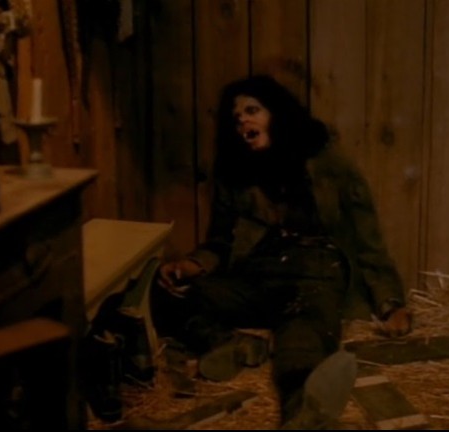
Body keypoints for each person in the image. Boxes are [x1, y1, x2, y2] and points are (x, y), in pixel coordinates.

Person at [152, 74, 412, 429]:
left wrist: (390, 302)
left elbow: (369, 240)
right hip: (257, 274)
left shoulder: (329, 164)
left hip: (315, 272)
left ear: (278, 114)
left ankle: (302, 416)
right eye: (236, 118)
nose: (243, 121)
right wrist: (192, 264)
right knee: (166, 294)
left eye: (252, 111)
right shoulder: (235, 173)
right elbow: (221, 242)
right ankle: (232, 344)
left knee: (301, 342)